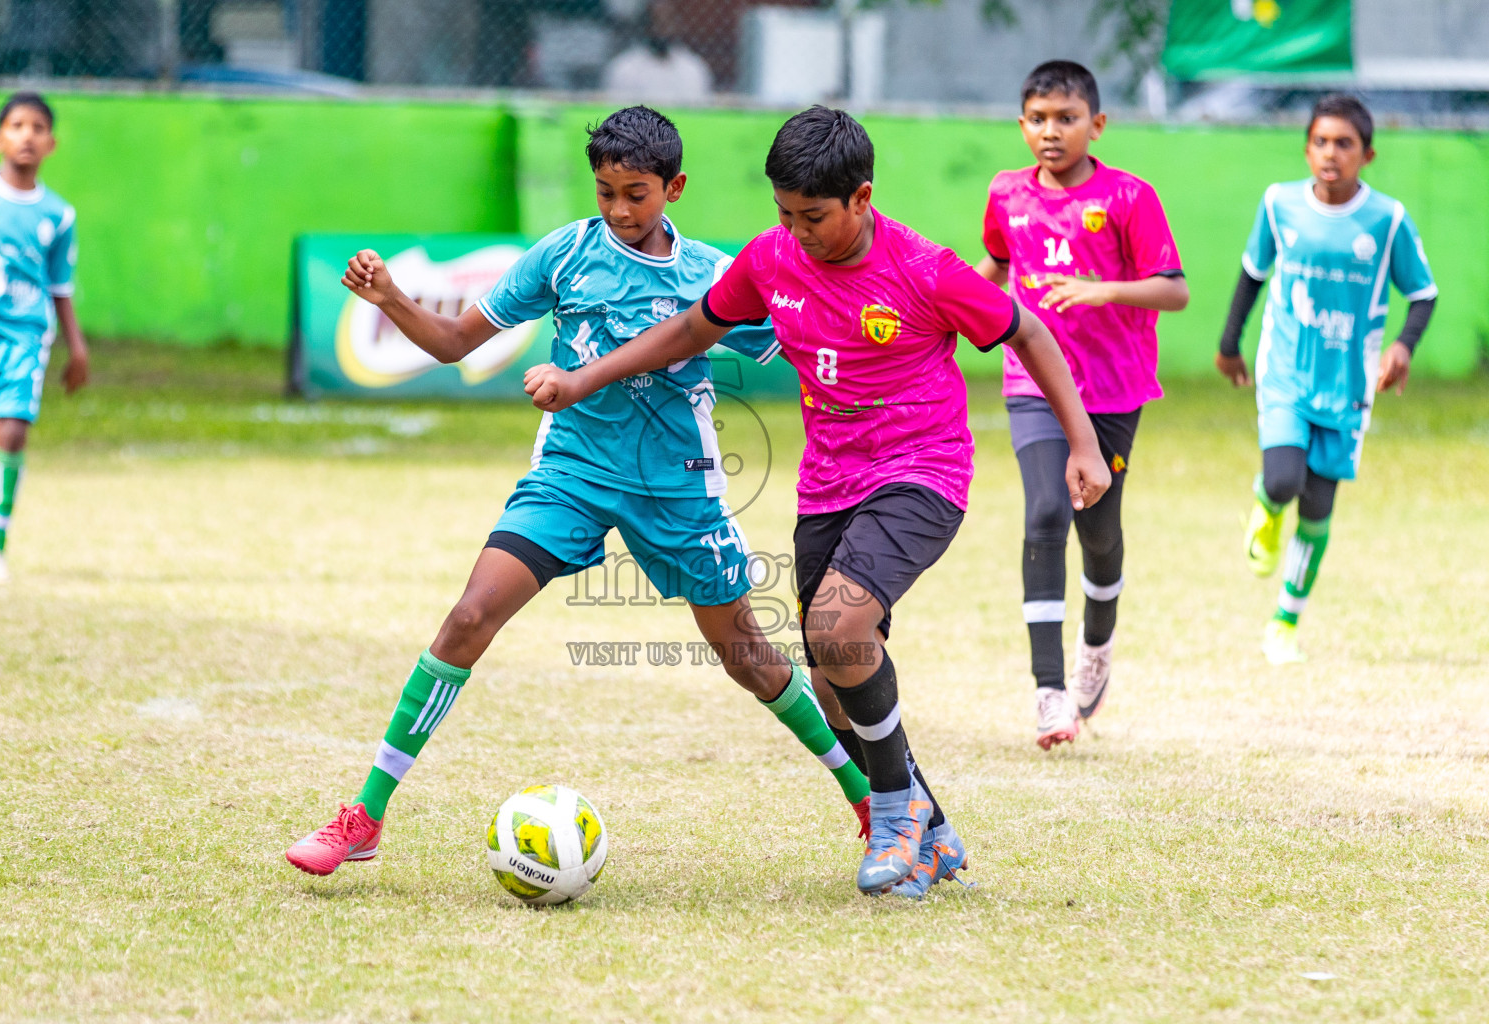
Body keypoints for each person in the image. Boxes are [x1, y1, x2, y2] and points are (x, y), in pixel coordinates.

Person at [525, 106, 1111, 898]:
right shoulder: (771, 259)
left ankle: (895, 815)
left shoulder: (926, 269)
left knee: (838, 627)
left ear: (862, 198)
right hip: (828, 483)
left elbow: (1028, 334)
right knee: (834, 674)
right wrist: (579, 381)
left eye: (813, 218)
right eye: (782, 214)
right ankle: (933, 833)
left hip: (921, 472)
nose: (795, 233)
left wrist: (1081, 443)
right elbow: (689, 331)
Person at [284, 106, 871, 878]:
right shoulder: (565, 254)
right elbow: (459, 342)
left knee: (750, 660)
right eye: (605, 192)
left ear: (675, 187)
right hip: (572, 475)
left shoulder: (713, 277)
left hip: (678, 492)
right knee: (469, 615)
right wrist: (390, 297)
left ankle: (869, 801)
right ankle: (364, 815)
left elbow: (807, 341)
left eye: (636, 193)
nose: (620, 210)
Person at [977, 60, 1188, 749]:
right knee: (1044, 512)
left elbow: (1173, 289)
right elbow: (998, 269)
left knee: (1097, 530)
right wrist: (951, 310)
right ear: (1021, 125)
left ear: (1096, 125)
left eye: (1066, 118)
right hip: (1033, 384)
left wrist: (1102, 290)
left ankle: (1097, 640)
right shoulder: (1006, 194)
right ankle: (1048, 693)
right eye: (1038, 118)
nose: (1050, 131)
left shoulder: (1129, 197)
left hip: (1113, 391)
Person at [1217, 93, 1435, 666]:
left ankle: (1284, 623)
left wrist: (1403, 349)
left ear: (1368, 153)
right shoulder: (1278, 203)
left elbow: (1422, 295)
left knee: (1317, 507)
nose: (1330, 154)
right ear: (1306, 147)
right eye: (1320, 142)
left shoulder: (1387, 221)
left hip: (1349, 385)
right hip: (1286, 369)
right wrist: (1228, 344)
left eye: (1344, 144)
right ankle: (1266, 506)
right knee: (1285, 479)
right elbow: (1251, 275)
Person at [0, 91, 89, 586]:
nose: (26, 135)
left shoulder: (59, 215)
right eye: (16, 125)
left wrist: (77, 347)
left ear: (50, 143)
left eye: (37, 128)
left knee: (13, 432)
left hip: (28, 336)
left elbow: (60, 287)